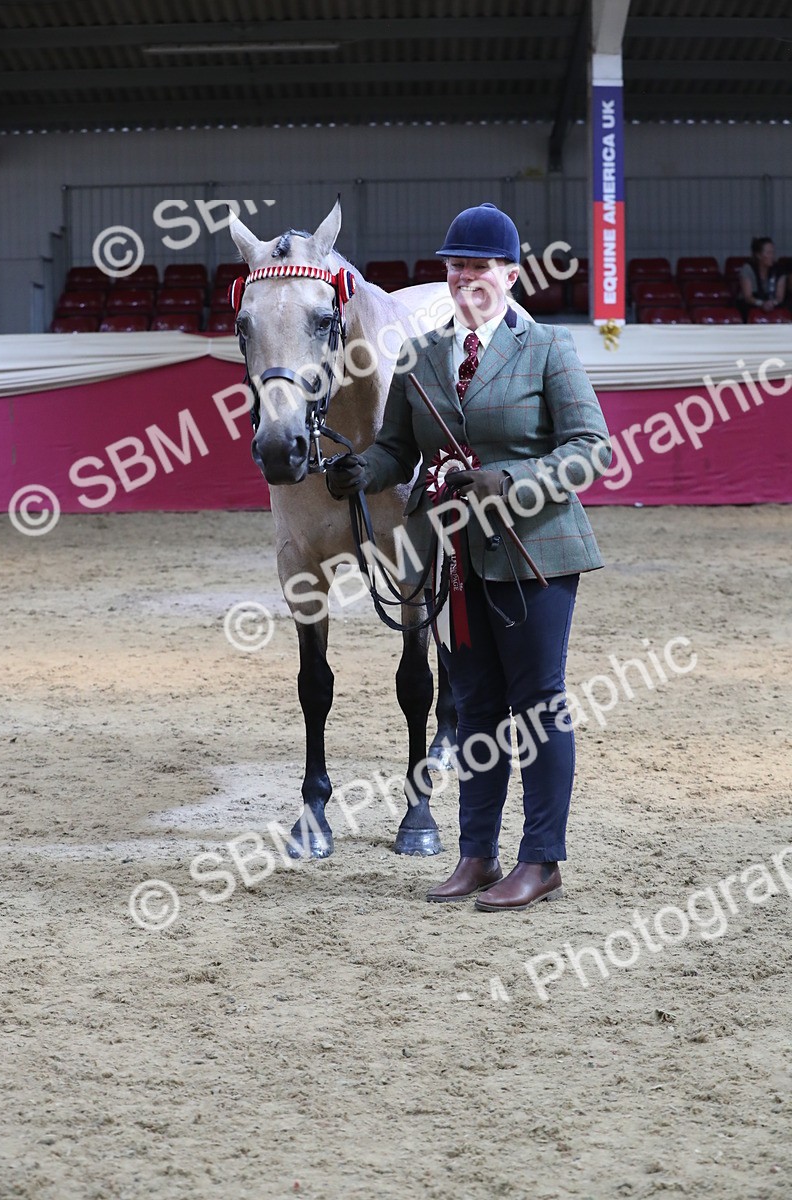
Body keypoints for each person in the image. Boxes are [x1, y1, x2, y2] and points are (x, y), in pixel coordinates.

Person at [326, 202, 612, 912]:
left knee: (538, 703)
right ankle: (476, 853)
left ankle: (541, 859)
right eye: (455, 267)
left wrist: (507, 481)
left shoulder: (548, 348)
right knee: (476, 706)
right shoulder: (420, 356)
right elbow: (398, 448)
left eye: (479, 267)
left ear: (510, 273)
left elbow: (592, 451)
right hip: (452, 556)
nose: (465, 279)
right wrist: (366, 469)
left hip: (534, 550)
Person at [738, 237, 787, 317]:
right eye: (768, 253)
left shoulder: (779, 270)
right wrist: (762, 304)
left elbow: (779, 297)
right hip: (750, 307)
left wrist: (772, 303)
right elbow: (748, 297)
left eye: (773, 252)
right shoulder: (748, 268)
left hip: (773, 306)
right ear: (758, 255)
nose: (772, 256)